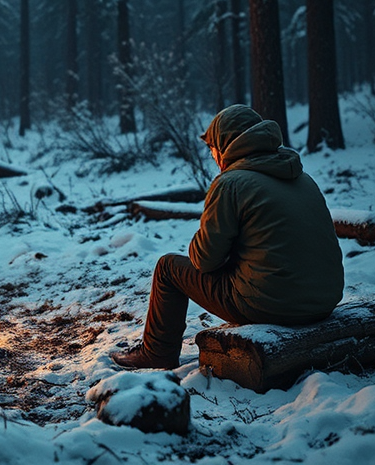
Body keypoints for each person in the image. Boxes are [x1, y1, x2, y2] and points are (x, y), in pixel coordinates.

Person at [110, 104, 344, 369]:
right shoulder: (303, 178)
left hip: (271, 306)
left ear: (224, 146)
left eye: (212, 149)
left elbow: (204, 261)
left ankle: (157, 353)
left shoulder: (231, 183)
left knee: (168, 267)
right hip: (324, 300)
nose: (213, 157)